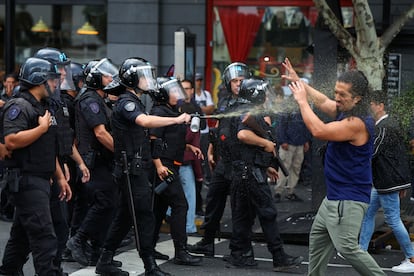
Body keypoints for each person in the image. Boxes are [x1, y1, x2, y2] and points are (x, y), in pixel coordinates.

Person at [284, 57, 386, 276]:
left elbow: (319, 130)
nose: (336, 98)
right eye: (336, 92)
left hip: (347, 200)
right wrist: (300, 82)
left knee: (348, 248)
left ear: (357, 98)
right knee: (318, 242)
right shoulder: (347, 110)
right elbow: (322, 102)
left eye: (342, 95)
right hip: (334, 198)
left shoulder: (356, 124)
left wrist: (301, 101)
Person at [94, 57, 191, 276]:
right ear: (131, 79)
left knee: (125, 216)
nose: (148, 80)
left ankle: (105, 260)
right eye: (144, 75)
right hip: (130, 170)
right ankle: (149, 266)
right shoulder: (127, 102)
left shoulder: (134, 100)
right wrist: (176, 120)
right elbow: (144, 122)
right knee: (145, 216)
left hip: (134, 169)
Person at [0, 57, 72, 275]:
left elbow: (47, 148)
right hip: (26, 180)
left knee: (22, 237)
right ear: (39, 80)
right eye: (51, 79)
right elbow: (12, 140)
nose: (54, 84)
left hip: (41, 179)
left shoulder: (40, 107)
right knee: (44, 237)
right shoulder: (20, 106)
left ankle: (9, 271)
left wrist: (59, 177)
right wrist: (40, 129)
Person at [227, 77, 303, 271]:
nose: (267, 95)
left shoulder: (245, 109)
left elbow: (243, 147)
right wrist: (266, 143)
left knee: (243, 216)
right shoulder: (248, 111)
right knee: (267, 213)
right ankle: (279, 257)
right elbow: (242, 135)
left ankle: (240, 254)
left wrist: (265, 165)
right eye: (264, 92)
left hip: (244, 171)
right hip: (249, 173)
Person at [188, 62, 251, 258]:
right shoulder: (224, 102)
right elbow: (220, 128)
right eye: (234, 80)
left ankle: (239, 249)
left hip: (241, 162)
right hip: (224, 161)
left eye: (241, 80)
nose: (238, 84)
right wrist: (211, 149)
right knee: (213, 200)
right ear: (228, 82)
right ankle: (207, 242)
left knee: (239, 208)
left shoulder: (251, 103)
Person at [67, 57, 119, 266]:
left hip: (101, 161)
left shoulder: (101, 99)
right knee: (106, 202)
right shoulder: (90, 100)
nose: (110, 78)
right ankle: (77, 241)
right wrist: (123, 150)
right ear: (96, 78)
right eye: (106, 75)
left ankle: (98, 251)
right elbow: (100, 134)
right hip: (92, 161)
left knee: (108, 205)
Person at [358, 91, 414, 273]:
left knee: (393, 220)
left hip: (387, 182)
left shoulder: (385, 126)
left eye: (372, 104)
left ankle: (411, 258)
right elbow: (399, 155)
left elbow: (372, 151)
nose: (369, 108)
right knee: (368, 213)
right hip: (383, 180)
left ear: (380, 105)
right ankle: (360, 251)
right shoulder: (387, 124)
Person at [149, 76, 202, 266]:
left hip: (170, 164)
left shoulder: (170, 111)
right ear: (163, 94)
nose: (177, 94)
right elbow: (153, 140)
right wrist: (158, 165)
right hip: (164, 166)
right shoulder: (159, 112)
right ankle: (181, 251)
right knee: (181, 205)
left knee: (159, 209)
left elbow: (170, 139)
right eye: (173, 91)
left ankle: (150, 247)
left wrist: (188, 147)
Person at [273, 99, 311, 202]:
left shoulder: (300, 108)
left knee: (294, 168)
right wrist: (283, 140)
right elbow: (281, 125)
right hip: (290, 143)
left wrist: (305, 140)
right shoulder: (293, 108)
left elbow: (305, 125)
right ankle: (279, 191)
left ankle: (288, 191)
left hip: (296, 143)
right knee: (286, 168)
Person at [194, 72, 215, 215]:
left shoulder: (205, 94)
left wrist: (198, 109)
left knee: (206, 157)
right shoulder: (192, 95)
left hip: (204, 130)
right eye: (197, 80)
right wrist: (202, 109)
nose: (199, 82)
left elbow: (211, 109)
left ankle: (207, 177)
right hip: (195, 131)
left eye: (200, 80)